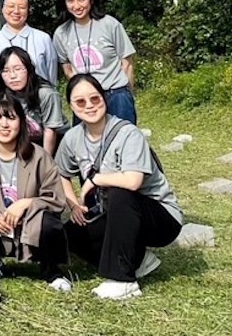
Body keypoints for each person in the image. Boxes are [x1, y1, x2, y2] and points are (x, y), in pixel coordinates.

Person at [56, 74, 182, 300]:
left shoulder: (128, 134)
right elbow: (62, 173)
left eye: (95, 99)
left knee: (120, 192)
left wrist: (96, 180)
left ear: (104, 98)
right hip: (117, 215)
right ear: (72, 106)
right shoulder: (72, 138)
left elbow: (133, 181)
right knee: (71, 235)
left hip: (160, 217)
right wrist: (73, 204)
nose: (89, 106)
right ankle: (139, 260)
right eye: (80, 102)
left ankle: (123, 279)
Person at [0, 93, 70, 291]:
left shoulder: (38, 156)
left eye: (10, 117)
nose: (4, 124)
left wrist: (26, 203)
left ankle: (51, 271)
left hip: (30, 224)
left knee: (50, 225)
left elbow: (56, 199)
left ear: (21, 122)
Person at [53, 0, 138, 124]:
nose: (76, 5)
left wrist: (127, 93)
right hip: (84, 99)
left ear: (91, 0)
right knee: (85, 144)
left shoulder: (110, 24)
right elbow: (67, 68)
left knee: (123, 141)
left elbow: (127, 63)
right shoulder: (61, 33)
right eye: (70, 0)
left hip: (116, 94)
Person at [0, 47, 65, 155]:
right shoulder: (0, 96)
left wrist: (44, 162)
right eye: (6, 71)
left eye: (18, 69)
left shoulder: (46, 94)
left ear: (29, 69)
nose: (12, 76)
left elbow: (50, 131)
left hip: (55, 142)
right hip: (24, 142)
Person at [0, 0, 58, 87]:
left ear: (28, 10)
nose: (16, 11)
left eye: (22, 7)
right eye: (11, 6)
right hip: (9, 100)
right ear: (2, 9)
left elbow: (51, 75)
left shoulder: (43, 38)